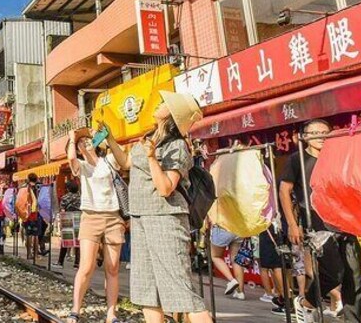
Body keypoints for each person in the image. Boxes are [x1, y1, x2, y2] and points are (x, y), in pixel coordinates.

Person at [108, 91, 213, 323]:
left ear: (174, 114)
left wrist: (153, 158)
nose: (159, 102)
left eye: (165, 103)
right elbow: (127, 163)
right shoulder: (150, 137)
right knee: (147, 291)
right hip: (141, 217)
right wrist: (110, 141)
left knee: (181, 291)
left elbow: (166, 187)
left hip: (165, 217)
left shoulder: (177, 146)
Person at [280, 119, 361, 323]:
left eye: (325, 132)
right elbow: (284, 190)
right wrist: (292, 224)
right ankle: (307, 301)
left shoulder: (337, 157)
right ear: (305, 136)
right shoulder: (296, 159)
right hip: (317, 224)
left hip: (345, 221)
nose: (321, 136)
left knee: (354, 278)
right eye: (315, 132)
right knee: (334, 272)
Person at [65, 127, 125, 323]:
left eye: (87, 140)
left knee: (113, 266)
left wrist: (107, 136)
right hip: (90, 217)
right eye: (81, 142)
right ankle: (75, 309)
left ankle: (111, 313)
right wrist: (72, 140)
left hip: (113, 217)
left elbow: (123, 158)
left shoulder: (108, 161)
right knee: (86, 266)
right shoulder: (81, 166)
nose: (85, 143)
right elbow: (71, 162)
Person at [209, 222, 246, 300]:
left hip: (223, 227)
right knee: (235, 259)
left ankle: (232, 280)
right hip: (239, 228)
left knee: (215, 256)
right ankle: (240, 292)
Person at [257, 222, 288, 315]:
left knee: (276, 266)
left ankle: (287, 301)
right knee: (278, 265)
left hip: (271, 228)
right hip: (278, 228)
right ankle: (283, 298)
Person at [16, 173, 43, 259]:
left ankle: (28, 254)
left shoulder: (23, 187)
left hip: (26, 214)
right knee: (35, 235)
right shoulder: (39, 187)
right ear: (36, 179)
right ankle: (35, 254)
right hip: (36, 214)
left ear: (28, 178)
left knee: (28, 234)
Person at [57, 179, 81, 268]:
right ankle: (77, 263)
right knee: (78, 242)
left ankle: (60, 262)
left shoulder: (65, 197)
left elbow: (62, 210)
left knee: (66, 241)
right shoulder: (80, 197)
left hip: (68, 217)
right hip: (79, 217)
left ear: (68, 188)